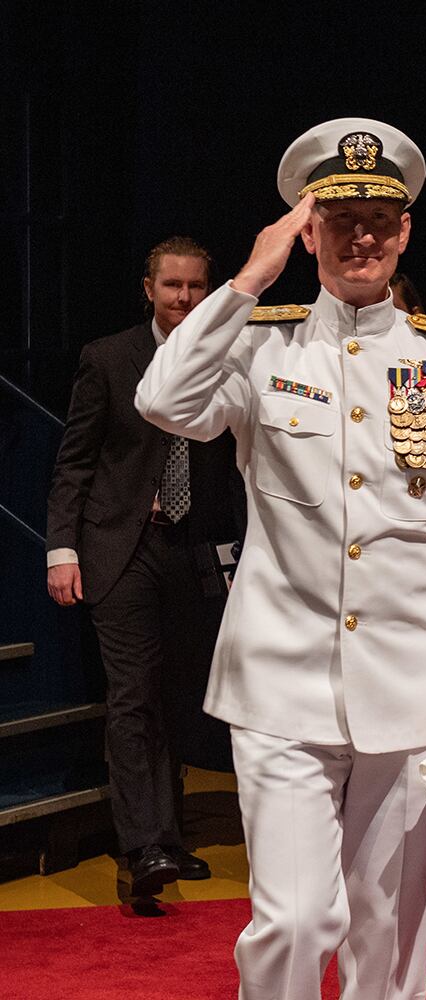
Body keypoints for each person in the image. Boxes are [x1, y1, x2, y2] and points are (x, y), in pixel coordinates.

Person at [134, 118, 426, 1000]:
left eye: (381, 216)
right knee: (297, 922)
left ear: (407, 227)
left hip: (413, 686)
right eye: (340, 219)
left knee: (388, 937)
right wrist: (245, 281)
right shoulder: (261, 339)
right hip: (279, 684)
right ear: (308, 231)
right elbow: (161, 398)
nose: (363, 237)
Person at [45, 236, 244, 896]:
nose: (184, 298)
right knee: (132, 698)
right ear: (149, 289)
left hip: (197, 551)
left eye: (195, 287)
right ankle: (145, 848)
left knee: (178, 699)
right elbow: (76, 461)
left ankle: (170, 834)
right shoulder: (109, 358)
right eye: (172, 287)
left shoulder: (229, 357)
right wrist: (62, 549)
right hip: (120, 548)